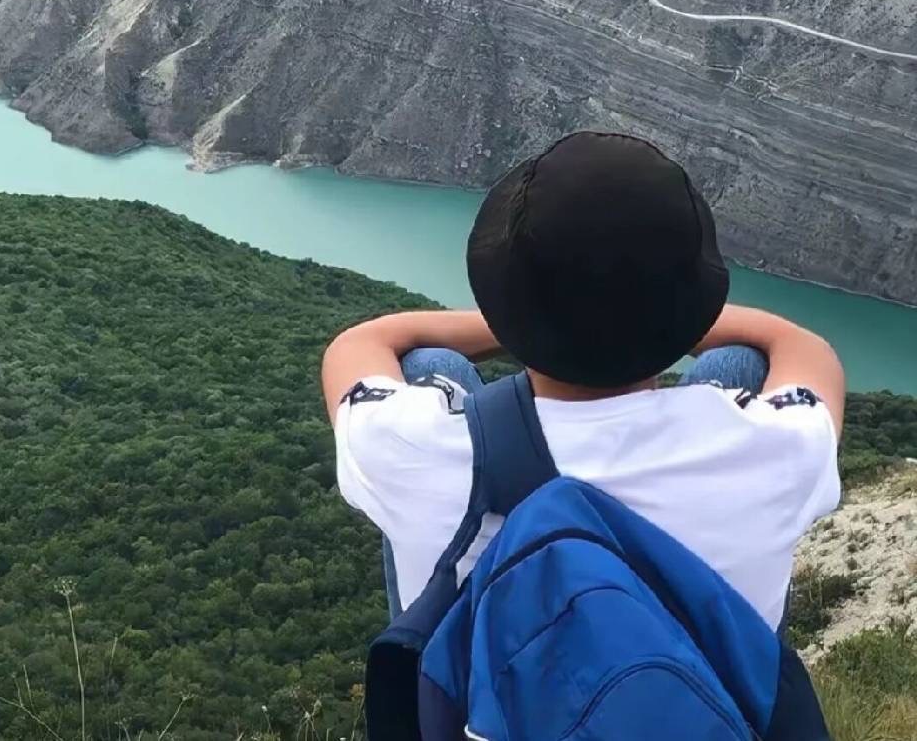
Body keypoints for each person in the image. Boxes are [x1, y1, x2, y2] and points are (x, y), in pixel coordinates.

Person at [322, 131, 843, 632]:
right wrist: (655, 320)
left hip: (481, 694)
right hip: (700, 690)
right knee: (738, 363)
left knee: (430, 365)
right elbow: (799, 346)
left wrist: (524, 321)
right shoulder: (777, 453)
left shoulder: (406, 446)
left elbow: (366, 341)